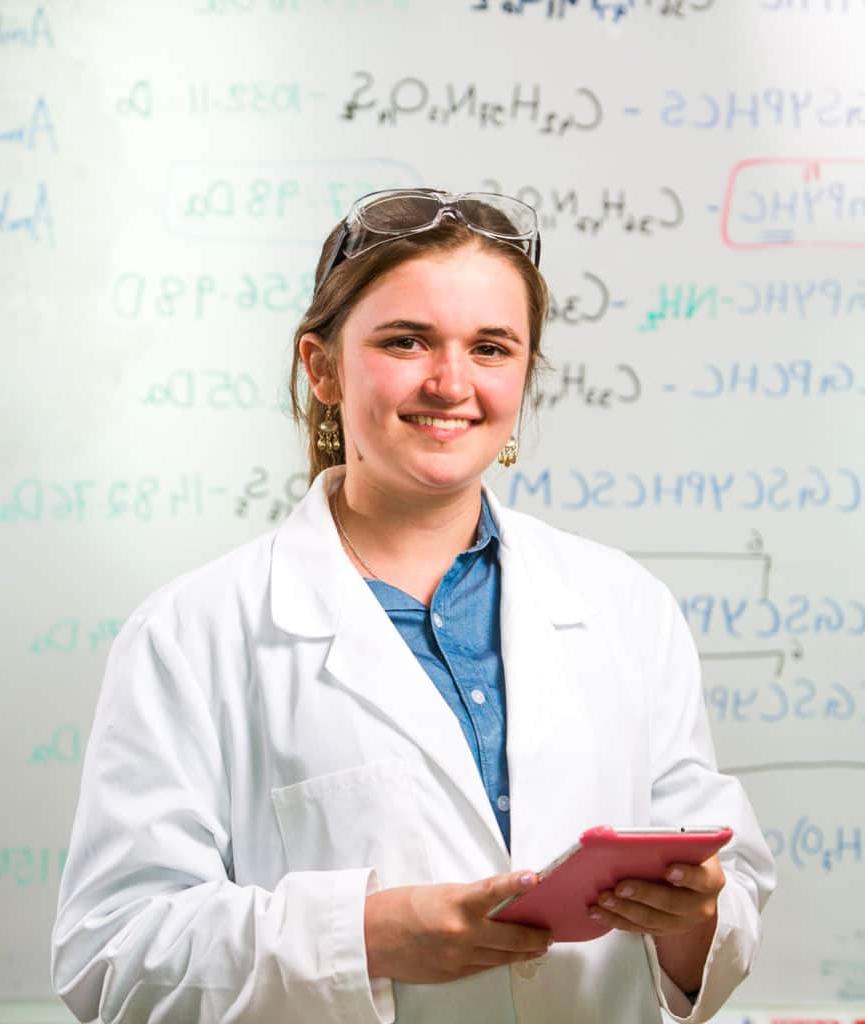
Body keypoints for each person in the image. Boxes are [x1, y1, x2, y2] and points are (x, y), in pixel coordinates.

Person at [51, 188, 775, 1023]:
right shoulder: (193, 634)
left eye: (492, 348)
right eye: (406, 341)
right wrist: (365, 936)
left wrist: (695, 917)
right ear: (321, 368)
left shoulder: (624, 606)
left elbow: (730, 898)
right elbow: (110, 953)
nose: (451, 382)